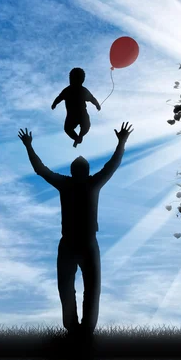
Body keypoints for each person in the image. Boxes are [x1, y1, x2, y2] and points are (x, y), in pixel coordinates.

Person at [18, 122, 133, 335]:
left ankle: (77, 328)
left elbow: (40, 170)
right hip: (84, 243)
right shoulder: (91, 183)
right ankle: (82, 329)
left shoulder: (68, 184)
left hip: (74, 242)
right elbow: (113, 165)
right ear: (85, 171)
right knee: (87, 287)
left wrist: (28, 146)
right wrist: (121, 142)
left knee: (70, 286)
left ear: (73, 171)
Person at [52, 67, 102, 148]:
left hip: (80, 114)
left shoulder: (80, 90)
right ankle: (78, 137)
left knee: (85, 126)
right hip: (73, 115)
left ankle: (80, 136)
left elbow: (92, 98)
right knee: (69, 128)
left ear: (82, 80)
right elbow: (59, 98)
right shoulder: (68, 90)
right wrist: (54, 103)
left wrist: (97, 104)